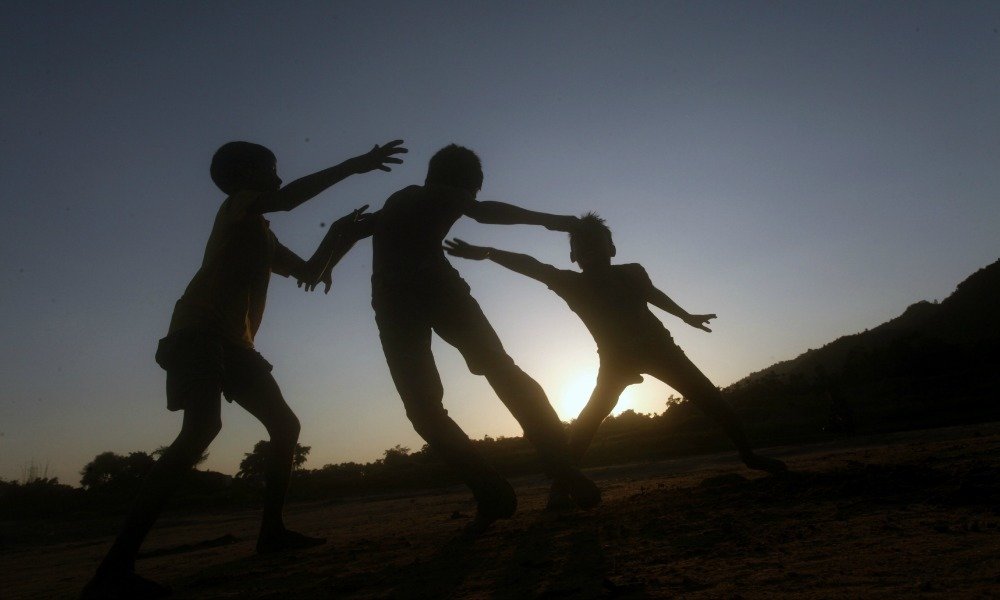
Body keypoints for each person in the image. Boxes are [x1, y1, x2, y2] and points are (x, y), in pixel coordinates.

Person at [81, 139, 406, 599]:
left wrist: (341, 234)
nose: (277, 177)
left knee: (284, 426)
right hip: (198, 332)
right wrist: (357, 165)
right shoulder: (238, 207)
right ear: (243, 177)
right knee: (201, 430)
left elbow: (311, 272)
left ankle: (271, 533)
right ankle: (113, 569)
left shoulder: (262, 233)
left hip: (235, 344)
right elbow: (289, 198)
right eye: (270, 169)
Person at [312, 144, 600, 534]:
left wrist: (325, 260)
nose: (468, 202)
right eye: (471, 192)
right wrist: (557, 221)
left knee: (424, 407)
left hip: (393, 302)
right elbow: (486, 213)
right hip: (436, 290)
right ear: (462, 184)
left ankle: (491, 490)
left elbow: (353, 228)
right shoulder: (440, 193)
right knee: (501, 371)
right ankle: (559, 468)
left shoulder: (400, 200)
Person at [444, 212, 787, 509]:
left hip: (663, 351)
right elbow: (532, 266)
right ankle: (562, 486)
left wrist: (685, 316)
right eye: (583, 245)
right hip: (615, 362)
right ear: (574, 255)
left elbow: (652, 294)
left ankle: (749, 455)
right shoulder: (569, 283)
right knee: (589, 422)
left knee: (712, 400)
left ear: (611, 248)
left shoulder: (632, 272)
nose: (591, 249)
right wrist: (488, 252)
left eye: (597, 242)